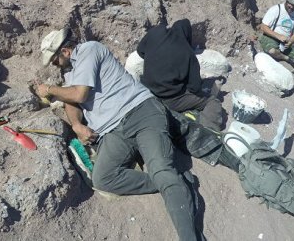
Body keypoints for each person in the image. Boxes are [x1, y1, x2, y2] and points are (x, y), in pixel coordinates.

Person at [35, 28, 203, 241]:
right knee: (103, 178)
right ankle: (174, 182)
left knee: (161, 168)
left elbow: (79, 93)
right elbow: (72, 100)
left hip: (140, 112)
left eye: (54, 59)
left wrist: (49, 89)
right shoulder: (71, 73)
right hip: (113, 130)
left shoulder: (89, 50)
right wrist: (77, 124)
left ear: (66, 51)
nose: (54, 65)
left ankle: (188, 234)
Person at [137, 19, 224, 131]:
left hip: (145, 91)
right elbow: (195, 87)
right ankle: (208, 133)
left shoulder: (156, 32)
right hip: (169, 100)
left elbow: (140, 51)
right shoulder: (188, 53)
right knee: (212, 101)